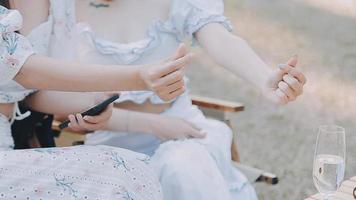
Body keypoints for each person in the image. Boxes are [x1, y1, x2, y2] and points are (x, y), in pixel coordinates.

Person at [11, 0, 307, 199]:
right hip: (109, 141)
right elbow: (29, 85)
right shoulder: (58, 7)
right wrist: (134, 121)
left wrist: (263, 77)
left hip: (185, 131)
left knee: (182, 165)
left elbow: (219, 38)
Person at [0, 3, 196, 199]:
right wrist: (139, 77)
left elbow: (29, 94)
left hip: (10, 140)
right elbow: (23, 68)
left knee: (134, 170)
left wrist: (92, 102)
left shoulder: (63, 6)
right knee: (121, 171)